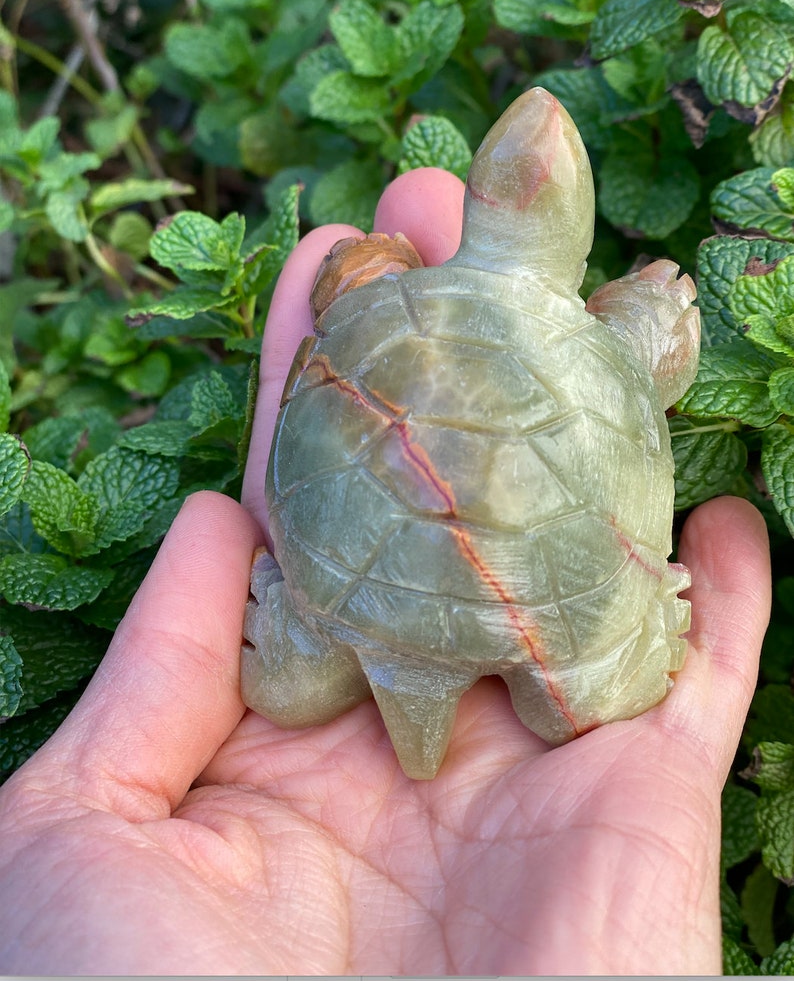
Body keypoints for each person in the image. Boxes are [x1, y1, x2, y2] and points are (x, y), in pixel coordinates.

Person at [0, 169, 772, 975]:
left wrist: (368, 268)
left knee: (291, 681)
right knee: (586, 697)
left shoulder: (390, 301)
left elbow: (350, 286)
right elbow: (659, 369)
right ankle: (601, 670)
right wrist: (656, 309)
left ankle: (306, 647)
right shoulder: (597, 347)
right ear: (572, 236)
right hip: (550, 621)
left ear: (482, 206)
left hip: (346, 577)